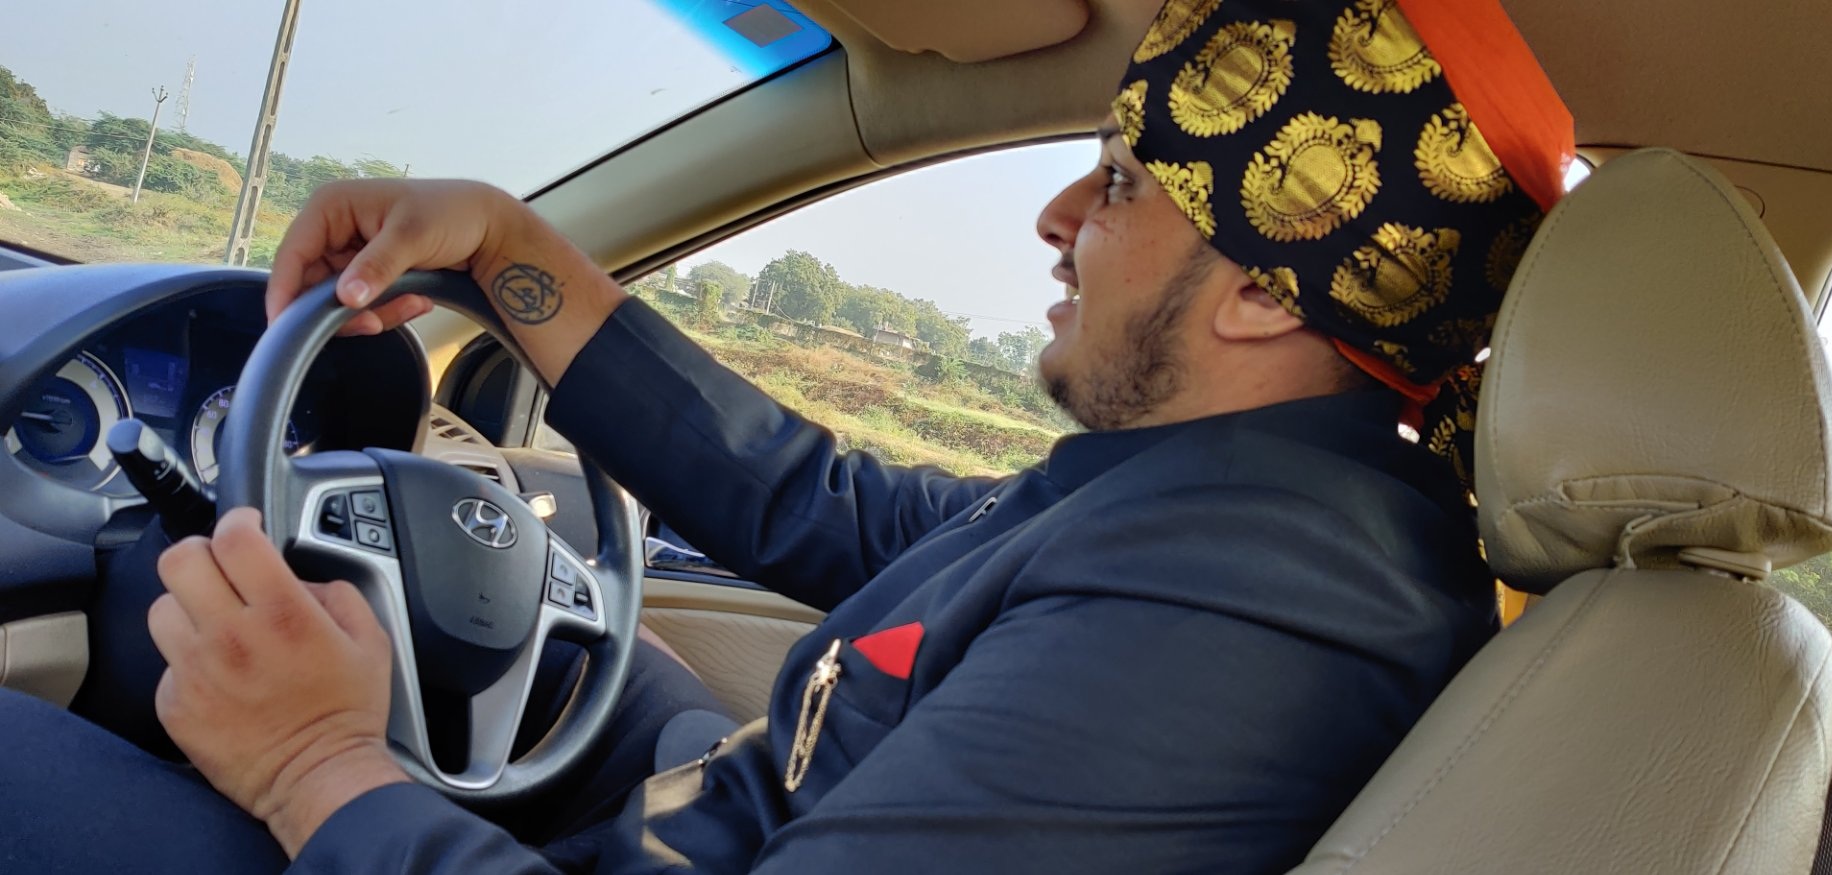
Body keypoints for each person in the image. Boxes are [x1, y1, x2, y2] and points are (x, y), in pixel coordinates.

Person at [0, 0, 1574, 871]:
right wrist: (505, 250)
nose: (1057, 216)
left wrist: (316, 763)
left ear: (1263, 291)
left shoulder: (1259, 604)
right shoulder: (1238, 496)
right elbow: (824, 504)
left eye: (1118, 183)